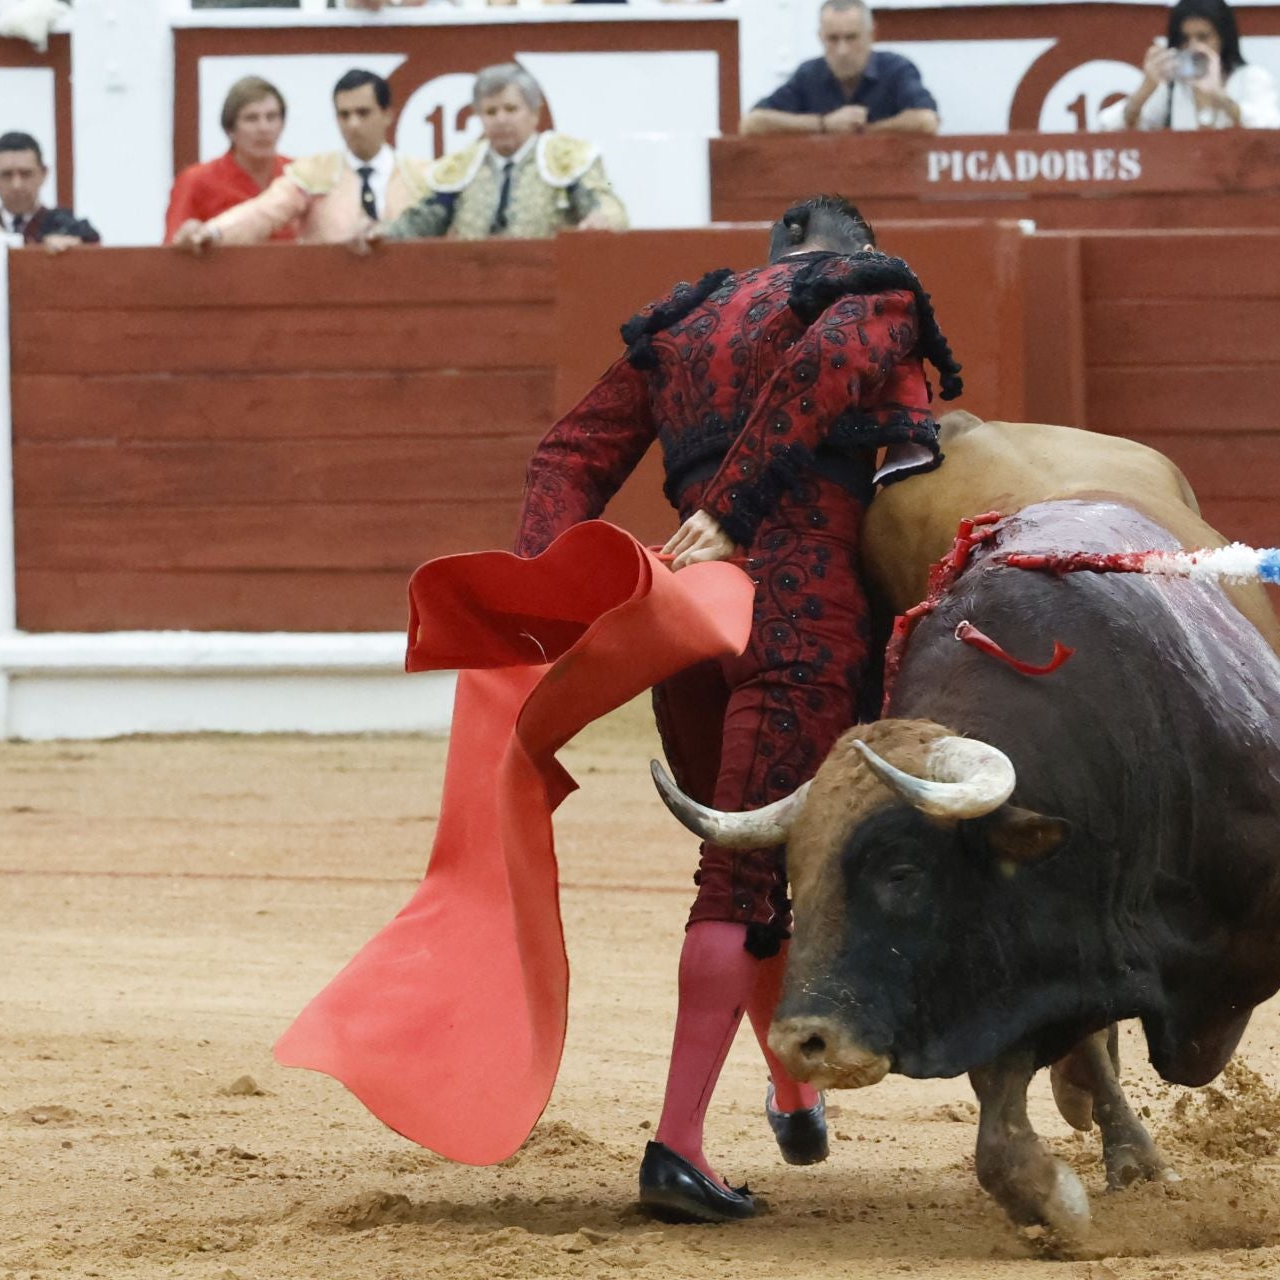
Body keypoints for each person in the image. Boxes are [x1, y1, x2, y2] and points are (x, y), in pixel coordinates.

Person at [509, 195, 963, 1223]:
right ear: (850, 254)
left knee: (755, 873)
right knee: (742, 878)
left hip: (690, 624)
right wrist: (735, 509)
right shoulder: (867, 290)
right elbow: (820, 372)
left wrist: (550, 599)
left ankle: (793, 1090)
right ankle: (677, 1143)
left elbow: (562, 458)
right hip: (802, 610)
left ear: (771, 258)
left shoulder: (682, 324)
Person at [177, 70, 430, 250]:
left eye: (363, 113)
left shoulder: (422, 176)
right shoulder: (313, 173)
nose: (353, 124)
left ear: (387, 115)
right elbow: (263, 211)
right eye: (344, 115)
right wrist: (212, 232)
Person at [371, 63, 625, 241]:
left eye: (511, 109)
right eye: (491, 112)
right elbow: (425, 219)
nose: (501, 120)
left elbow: (603, 202)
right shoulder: (463, 167)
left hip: (549, 286)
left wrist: (601, 218)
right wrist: (386, 233)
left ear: (535, 113)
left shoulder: (564, 158)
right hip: (475, 290)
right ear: (479, 117)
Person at [742, 0, 939, 136]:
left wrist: (864, 130)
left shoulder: (896, 70)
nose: (842, 50)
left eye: (851, 37)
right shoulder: (809, 75)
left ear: (871, 35)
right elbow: (753, 122)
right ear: (820, 37)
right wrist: (824, 124)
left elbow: (926, 120)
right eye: (833, 39)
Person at [1097, 0, 1280, 131]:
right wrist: (1145, 90)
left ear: (1223, 38)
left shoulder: (1251, 77)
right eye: (1184, 39)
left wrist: (1220, 96)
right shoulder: (1172, 84)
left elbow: (1273, 128)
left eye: (1203, 37)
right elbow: (1107, 127)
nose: (1193, 46)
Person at [163, 76, 292, 243]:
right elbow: (172, 251)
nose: (263, 128)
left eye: (272, 117)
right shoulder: (196, 180)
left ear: (282, 124)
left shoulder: (299, 176)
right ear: (230, 129)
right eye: (251, 118)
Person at [0, 132, 99, 251]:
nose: (16, 185)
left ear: (43, 173)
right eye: (6, 175)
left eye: (26, 174)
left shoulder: (69, 229)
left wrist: (76, 249)